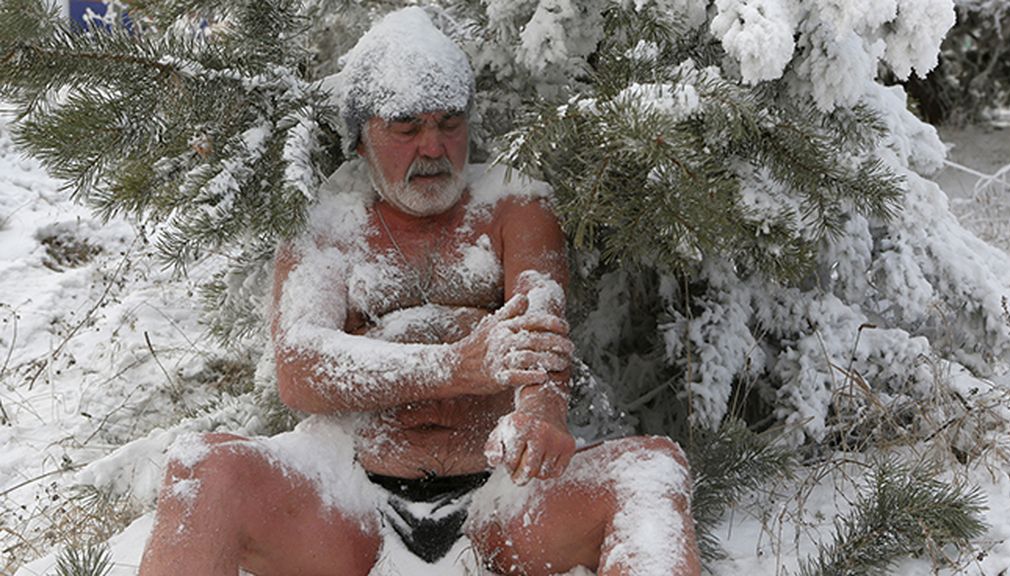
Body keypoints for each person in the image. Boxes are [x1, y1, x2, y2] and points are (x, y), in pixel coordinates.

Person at [139, 7, 700, 576]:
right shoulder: (328, 221)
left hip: (502, 501)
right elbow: (299, 368)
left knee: (650, 468)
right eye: (406, 129)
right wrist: (458, 365)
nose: (433, 148)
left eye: (449, 124)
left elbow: (539, 331)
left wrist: (542, 414)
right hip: (350, 502)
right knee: (204, 469)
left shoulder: (515, 206)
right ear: (362, 140)